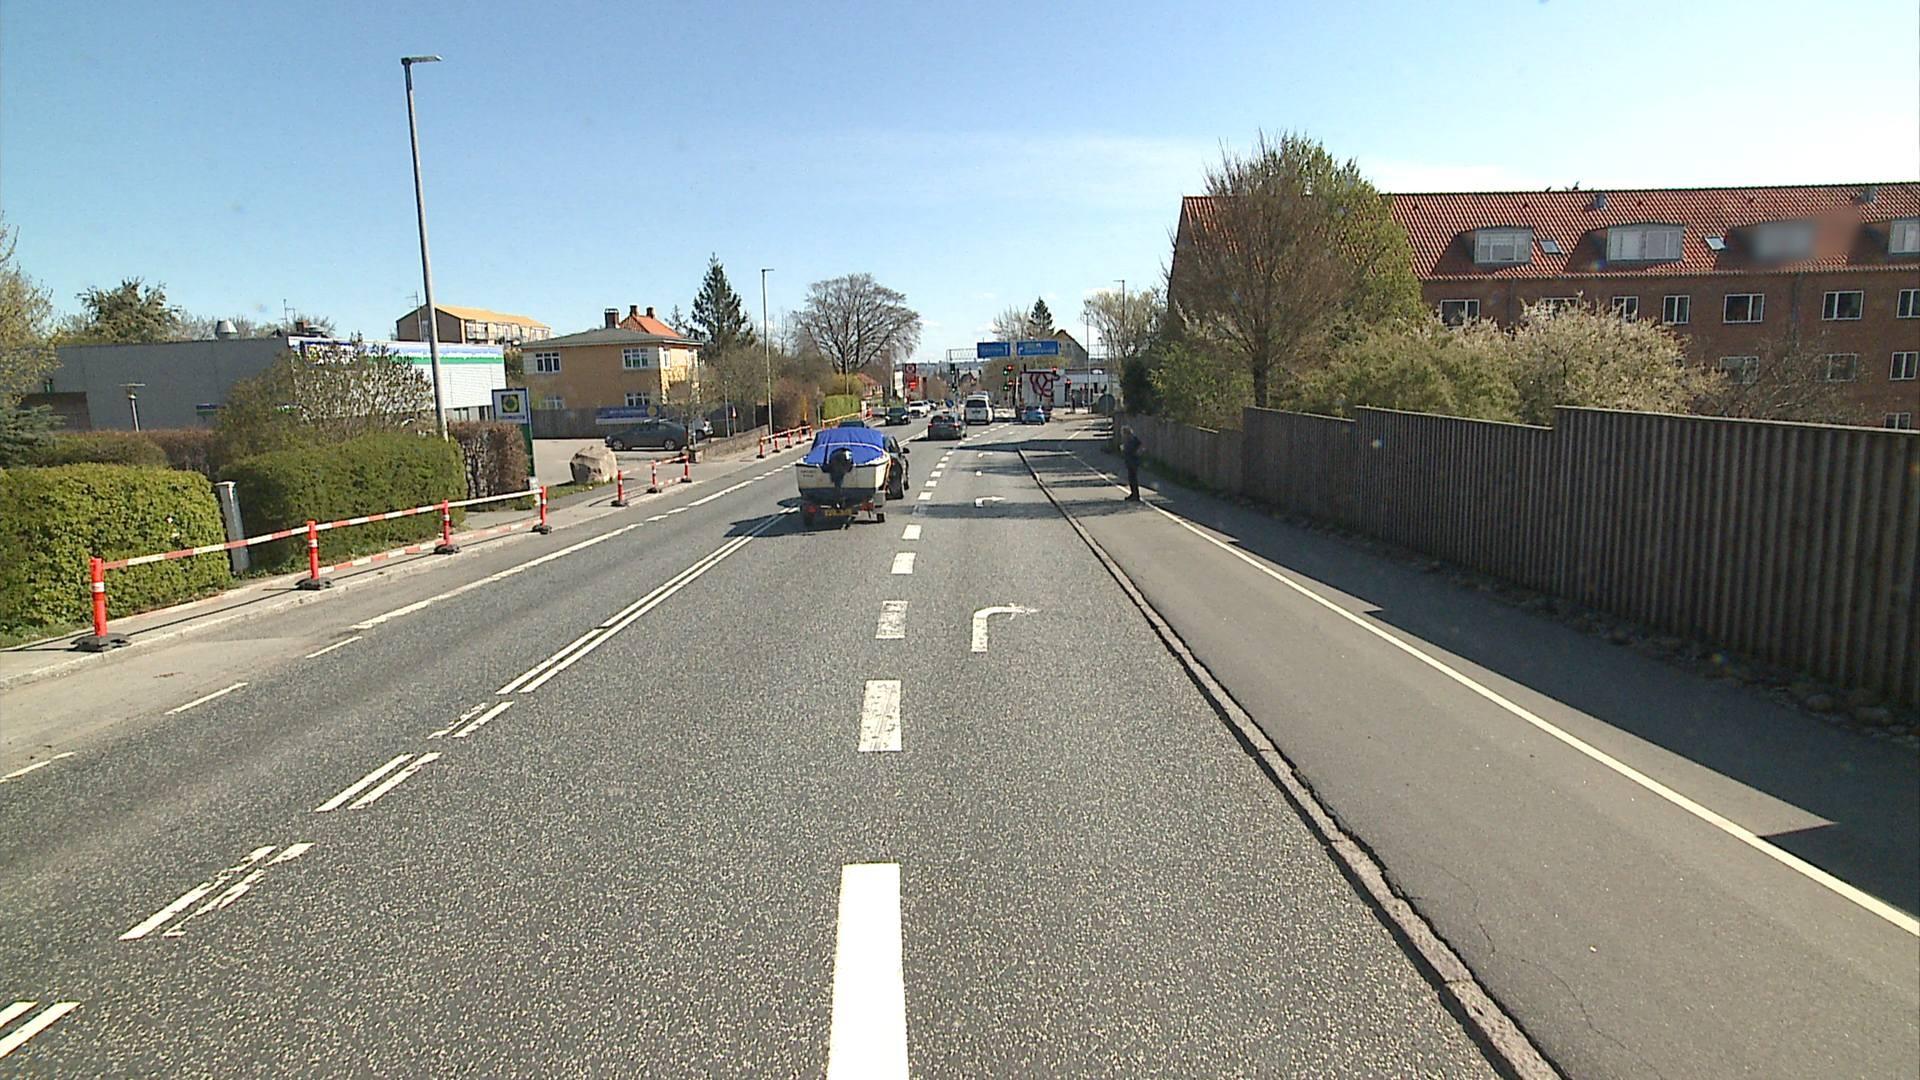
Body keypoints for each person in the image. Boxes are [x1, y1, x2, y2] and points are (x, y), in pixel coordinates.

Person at [1121, 425, 1143, 501]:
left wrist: (1137, 453)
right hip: (1129, 461)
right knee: (1131, 479)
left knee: (1133, 479)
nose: (1123, 435)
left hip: (1133, 461)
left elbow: (1140, 447)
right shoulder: (1128, 440)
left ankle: (1136, 495)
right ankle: (1133, 494)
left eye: (1123, 433)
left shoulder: (1133, 439)